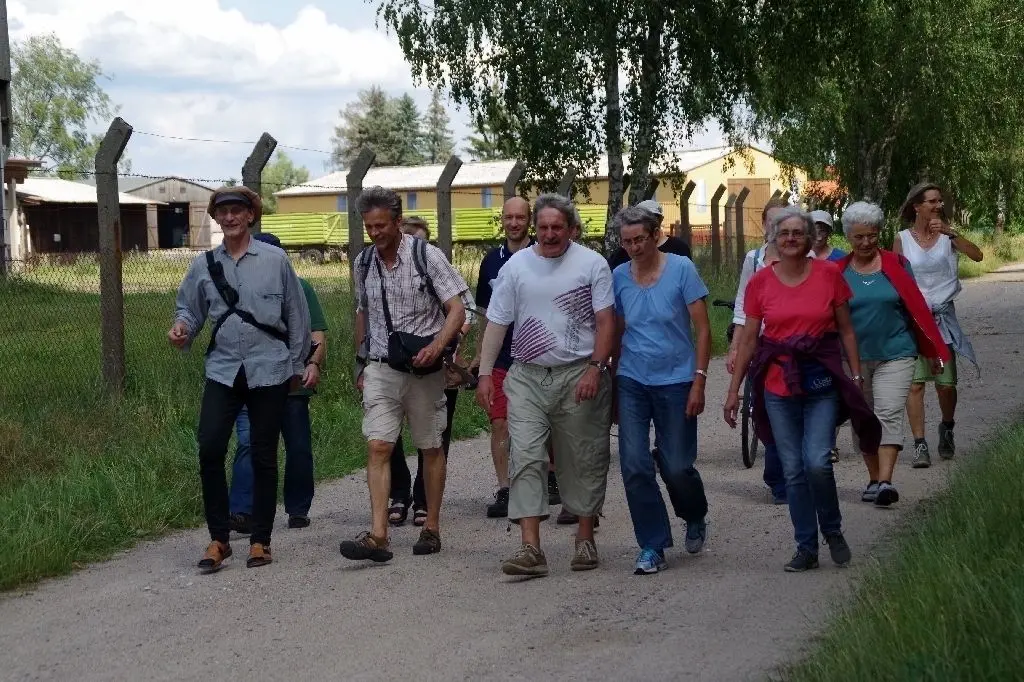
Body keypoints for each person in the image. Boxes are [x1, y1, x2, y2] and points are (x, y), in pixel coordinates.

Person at [724, 207, 880, 572]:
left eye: (798, 232)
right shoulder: (760, 283)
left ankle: (833, 530)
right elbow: (748, 341)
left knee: (817, 462)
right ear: (773, 240)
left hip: (821, 379)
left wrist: (855, 377)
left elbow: (846, 331)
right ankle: (806, 546)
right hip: (778, 384)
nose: (791, 239)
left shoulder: (829, 276)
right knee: (793, 468)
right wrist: (734, 391)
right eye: (784, 233)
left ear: (810, 239)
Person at [169, 186, 311, 572]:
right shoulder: (203, 265)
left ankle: (260, 541)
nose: (230, 218)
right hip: (224, 368)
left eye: (237, 211)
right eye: (223, 212)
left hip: (270, 369)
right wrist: (182, 328)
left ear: (251, 216)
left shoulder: (275, 259)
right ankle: (219, 538)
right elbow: (190, 310)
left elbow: (297, 314)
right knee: (210, 448)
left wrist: (298, 364)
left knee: (264, 454)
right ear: (216, 218)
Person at [477, 193, 614, 578]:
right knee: (526, 455)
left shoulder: (592, 264)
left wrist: (595, 368)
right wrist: (486, 373)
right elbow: (497, 323)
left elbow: (606, 322)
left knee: (581, 458)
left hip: (578, 373)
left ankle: (585, 539)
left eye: (557, 227)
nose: (549, 234)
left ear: (572, 228)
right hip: (526, 376)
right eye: (543, 227)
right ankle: (530, 548)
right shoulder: (516, 268)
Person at [345, 187, 469, 562]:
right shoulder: (363, 263)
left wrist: (438, 346)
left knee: (430, 446)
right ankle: (378, 535)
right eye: (369, 226)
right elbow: (362, 313)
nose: (375, 233)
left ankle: (431, 526)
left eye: (382, 225)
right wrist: (361, 360)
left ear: (398, 222)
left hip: (423, 370)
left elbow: (458, 309)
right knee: (378, 445)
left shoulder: (426, 256)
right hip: (382, 366)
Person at [611, 206, 712, 575]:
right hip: (633, 379)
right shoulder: (619, 276)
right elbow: (618, 332)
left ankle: (694, 512)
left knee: (677, 465)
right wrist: (611, 380)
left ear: (655, 235)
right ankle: (652, 544)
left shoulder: (681, 269)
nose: (634, 247)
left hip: (677, 379)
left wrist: (699, 378)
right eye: (627, 242)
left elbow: (702, 328)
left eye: (640, 239)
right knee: (635, 464)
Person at [838, 202, 951, 506]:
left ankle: (886, 482)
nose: (866, 243)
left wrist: (932, 350)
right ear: (848, 236)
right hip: (853, 359)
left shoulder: (897, 265)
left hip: (897, 353)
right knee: (863, 419)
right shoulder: (836, 271)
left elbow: (917, 311)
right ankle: (873, 478)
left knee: (887, 413)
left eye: (872, 236)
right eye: (859, 237)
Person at [227, 232, 327, 533]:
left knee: (297, 446)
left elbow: (317, 333)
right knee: (248, 444)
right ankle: (242, 511)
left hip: (290, 382)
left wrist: (312, 363)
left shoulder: (301, 288)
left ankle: (297, 508)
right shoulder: (236, 289)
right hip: (250, 382)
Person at [387, 217, 476, 526]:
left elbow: (466, 309)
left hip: (438, 363)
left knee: (435, 435)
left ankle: (424, 498)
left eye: (419, 240)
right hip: (394, 364)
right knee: (388, 432)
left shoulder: (438, 267)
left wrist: (450, 341)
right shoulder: (380, 269)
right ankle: (399, 492)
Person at [893, 182, 983, 467]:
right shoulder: (902, 239)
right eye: (932, 201)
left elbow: (977, 255)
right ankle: (920, 444)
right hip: (914, 319)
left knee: (945, 385)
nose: (937, 205)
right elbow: (894, 277)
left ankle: (947, 426)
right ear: (916, 206)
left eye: (940, 201)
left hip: (943, 319)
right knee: (915, 384)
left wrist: (952, 233)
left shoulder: (948, 236)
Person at [468, 197, 538, 518]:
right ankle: (505, 488)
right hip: (500, 357)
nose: (514, 223)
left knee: (541, 424)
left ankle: (546, 481)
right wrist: (480, 356)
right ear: (502, 220)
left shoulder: (543, 254)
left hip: (536, 355)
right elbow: (484, 313)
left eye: (520, 217)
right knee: (499, 422)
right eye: (508, 217)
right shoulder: (490, 262)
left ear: (529, 220)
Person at [726, 197, 788, 504]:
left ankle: (792, 473)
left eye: (783, 223)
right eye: (771, 222)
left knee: (792, 412)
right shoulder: (753, 259)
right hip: (761, 345)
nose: (776, 229)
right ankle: (778, 478)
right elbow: (742, 306)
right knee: (765, 411)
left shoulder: (808, 258)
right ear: (763, 225)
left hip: (797, 347)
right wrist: (736, 347)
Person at [606, 199, 692, 270]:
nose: (635, 248)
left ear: (661, 219)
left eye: (655, 217)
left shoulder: (679, 247)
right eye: (644, 218)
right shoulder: (623, 252)